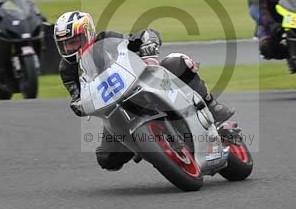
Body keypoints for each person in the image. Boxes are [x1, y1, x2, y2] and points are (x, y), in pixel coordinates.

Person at [54, 10, 235, 171]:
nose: (69, 48)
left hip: (142, 83)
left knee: (177, 62)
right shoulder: (66, 69)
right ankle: (146, 144)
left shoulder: (106, 39)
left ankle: (212, 106)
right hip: (112, 108)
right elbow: (76, 97)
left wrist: (147, 42)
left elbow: (139, 37)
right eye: (65, 44)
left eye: (74, 42)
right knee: (107, 159)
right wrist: (78, 105)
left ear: (87, 33)